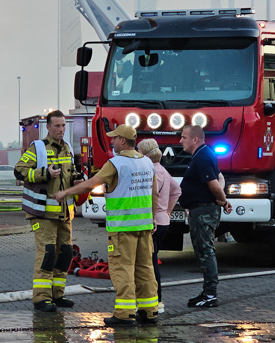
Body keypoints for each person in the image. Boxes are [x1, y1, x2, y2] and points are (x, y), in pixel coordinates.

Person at [55, 125, 159, 327]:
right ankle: (149, 311)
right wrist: (153, 217)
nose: (111, 142)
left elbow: (90, 184)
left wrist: (65, 193)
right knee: (145, 269)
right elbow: (154, 193)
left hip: (123, 227)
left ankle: (124, 314)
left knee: (123, 270)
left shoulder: (117, 163)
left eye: (114, 139)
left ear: (122, 141)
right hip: (144, 226)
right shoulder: (147, 162)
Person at [14, 110, 79, 312]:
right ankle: (41, 298)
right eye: (57, 126)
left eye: (63, 125)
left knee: (65, 253)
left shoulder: (67, 148)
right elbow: (19, 170)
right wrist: (45, 173)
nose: (61, 129)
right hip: (43, 213)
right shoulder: (38, 148)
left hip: (65, 213)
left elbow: (69, 173)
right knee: (47, 253)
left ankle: (57, 294)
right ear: (49, 127)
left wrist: (77, 178)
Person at [178, 124, 231, 308]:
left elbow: (215, 184)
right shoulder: (205, 154)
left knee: (205, 251)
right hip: (201, 209)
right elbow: (220, 177)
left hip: (203, 211)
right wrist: (222, 198)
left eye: (184, 137)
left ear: (195, 139)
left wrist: (223, 200)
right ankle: (207, 292)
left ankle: (210, 294)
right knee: (204, 251)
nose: (180, 141)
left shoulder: (201, 157)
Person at [138, 138, 181, 314]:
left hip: (152, 222)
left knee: (148, 263)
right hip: (163, 221)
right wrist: (168, 211)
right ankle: (157, 300)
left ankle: (155, 300)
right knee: (153, 260)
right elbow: (177, 190)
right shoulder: (163, 170)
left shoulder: (150, 171)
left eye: (139, 151)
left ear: (146, 154)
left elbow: (150, 195)